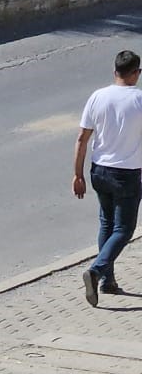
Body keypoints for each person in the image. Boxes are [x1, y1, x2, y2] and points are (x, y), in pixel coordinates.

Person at [74, 49, 142, 306]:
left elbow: (82, 138)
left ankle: (108, 282)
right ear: (136, 73)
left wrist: (77, 174)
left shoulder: (97, 97)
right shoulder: (139, 100)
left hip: (99, 171)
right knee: (124, 229)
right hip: (127, 174)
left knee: (106, 224)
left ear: (115, 72)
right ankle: (96, 271)